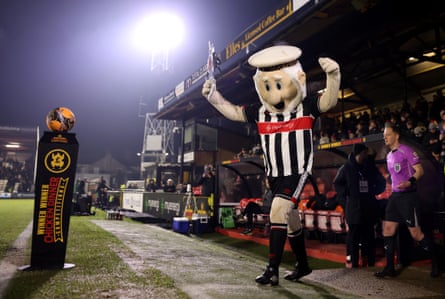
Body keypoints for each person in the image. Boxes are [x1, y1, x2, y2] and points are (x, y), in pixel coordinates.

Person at [202, 44, 341, 285]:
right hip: (275, 175)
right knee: (291, 218)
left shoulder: (305, 108)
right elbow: (234, 112)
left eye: (278, 84)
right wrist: (213, 97)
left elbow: (328, 102)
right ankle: (303, 265)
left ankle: (272, 270)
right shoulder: (260, 112)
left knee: (278, 210)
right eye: (267, 86)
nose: (273, 93)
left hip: (297, 172)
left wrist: (333, 76)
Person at [375, 123, 438, 278]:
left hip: (409, 197)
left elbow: (420, 170)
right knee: (388, 230)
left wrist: (410, 182)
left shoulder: (407, 151)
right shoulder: (389, 155)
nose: (385, 137)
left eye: (388, 134)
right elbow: (394, 176)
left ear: (396, 135)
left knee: (416, 234)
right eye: (384, 135)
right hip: (395, 197)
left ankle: (437, 262)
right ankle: (389, 268)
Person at [333, 143, 386, 268]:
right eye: (365, 153)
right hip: (354, 208)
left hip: (368, 207)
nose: (366, 155)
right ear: (360, 153)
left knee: (369, 236)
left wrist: (374, 191)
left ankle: (371, 262)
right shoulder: (346, 168)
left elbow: (381, 181)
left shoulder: (369, 166)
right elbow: (337, 184)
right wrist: (348, 194)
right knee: (354, 236)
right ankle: (354, 262)